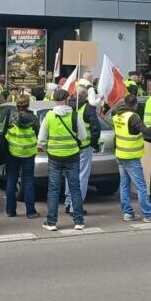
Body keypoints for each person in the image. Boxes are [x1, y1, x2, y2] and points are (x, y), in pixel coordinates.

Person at [38, 88, 87, 231]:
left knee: (53, 189)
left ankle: (51, 222)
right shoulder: (74, 115)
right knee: (74, 188)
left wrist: (48, 149)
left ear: (54, 100)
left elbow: (41, 139)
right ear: (67, 100)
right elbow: (83, 136)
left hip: (54, 157)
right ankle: (79, 221)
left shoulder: (49, 116)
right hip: (72, 155)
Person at [110, 93, 151, 223]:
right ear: (135, 104)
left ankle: (128, 213)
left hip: (120, 154)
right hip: (131, 156)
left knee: (124, 185)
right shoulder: (133, 117)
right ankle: (149, 215)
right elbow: (147, 132)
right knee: (141, 186)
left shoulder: (116, 115)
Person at [64, 80, 100, 216]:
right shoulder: (88, 108)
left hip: (71, 147)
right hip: (84, 147)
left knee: (70, 176)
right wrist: (93, 143)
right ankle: (75, 206)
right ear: (85, 96)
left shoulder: (67, 106)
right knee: (82, 176)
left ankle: (68, 203)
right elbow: (96, 127)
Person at [3, 94, 39, 218]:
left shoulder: (11, 117)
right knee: (28, 181)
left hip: (13, 152)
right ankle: (30, 212)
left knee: (11, 180)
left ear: (16, 104)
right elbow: (38, 133)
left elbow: (4, 132)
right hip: (28, 153)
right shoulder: (33, 118)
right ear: (28, 104)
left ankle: (10, 211)